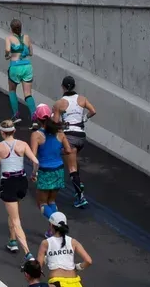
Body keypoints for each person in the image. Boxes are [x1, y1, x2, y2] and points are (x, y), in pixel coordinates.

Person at [0, 119, 39, 257]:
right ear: (14, 131)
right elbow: (36, 162)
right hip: (22, 181)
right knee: (13, 212)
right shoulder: (23, 144)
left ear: (2, 132)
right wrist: (33, 174)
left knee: (15, 219)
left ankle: (28, 254)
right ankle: (12, 240)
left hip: (8, 183)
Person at [55, 76, 97, 209]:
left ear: (62, 87)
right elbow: (93, 111)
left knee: (71, 167)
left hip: (69, 136)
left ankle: (80, 197)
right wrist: (84, 118)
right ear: (73, 87)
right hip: (81, 136)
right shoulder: (82, 99)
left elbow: (55, 123)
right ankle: (79, 183)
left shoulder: (59, 103)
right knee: (73, 160)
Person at [31, 105, 71, 221]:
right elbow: (68, 150)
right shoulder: (60, 132)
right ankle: (52, 229)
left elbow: (33, 157)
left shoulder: (36, 135)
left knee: (42, 204)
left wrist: (34, 174)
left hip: (45, 171)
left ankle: (57, 224)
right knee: (52, 201)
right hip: (58, 169)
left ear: (37, 119)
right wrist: (57, 152)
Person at [39, 212, 92, 287]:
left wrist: (46, 259)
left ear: (51, 225)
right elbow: (88, 261)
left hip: (57, 283)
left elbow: (38, 268)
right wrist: (77, 267)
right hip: (75, 283)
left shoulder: (45, 243)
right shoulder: (73, 242)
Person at [6, 18, 36, 122]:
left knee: (12, 90)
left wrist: (7, 55)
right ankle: (34, 116)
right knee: (28, 93)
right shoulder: (26, 37)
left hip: (15, 67)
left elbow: (7, 50)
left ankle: (16, 115)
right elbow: (31, 53)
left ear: (11, 29)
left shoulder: (9, 38)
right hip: (27, 67)